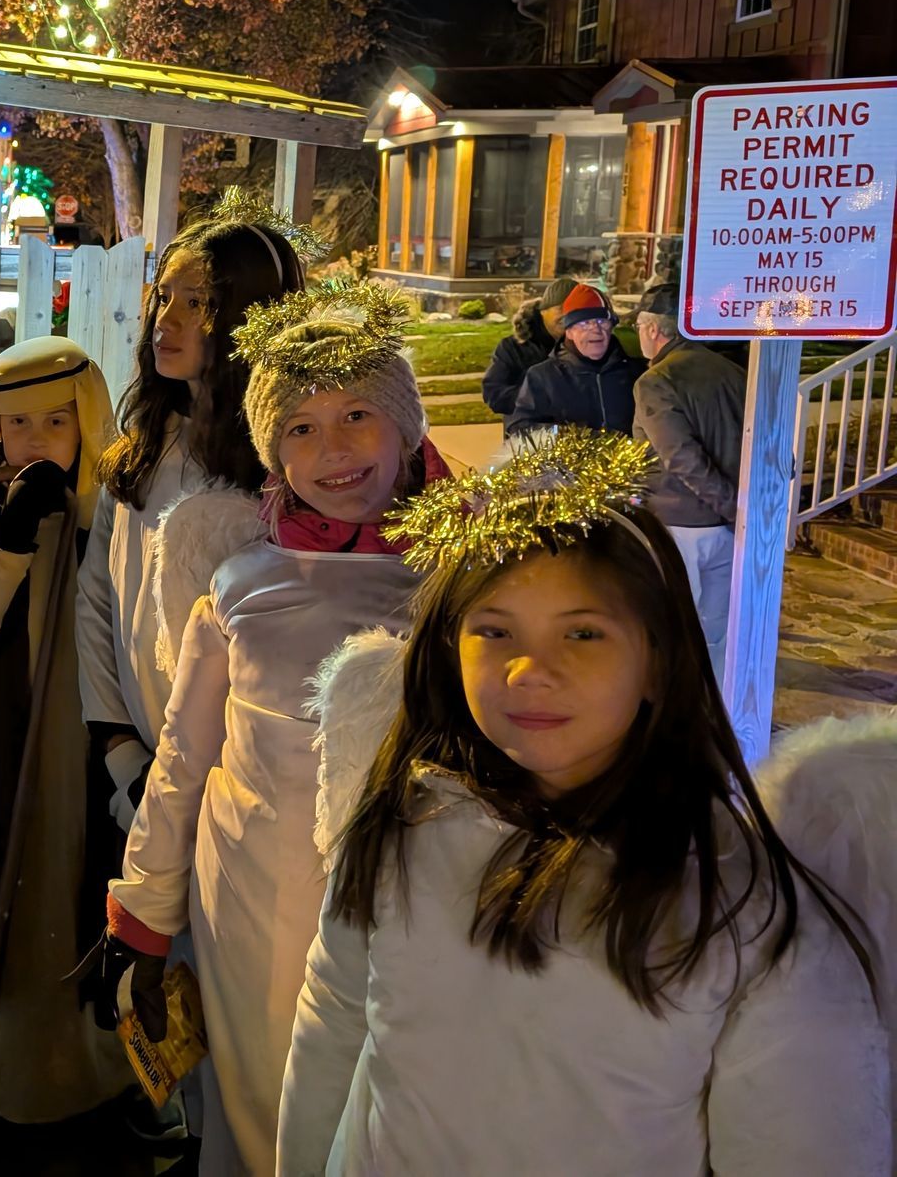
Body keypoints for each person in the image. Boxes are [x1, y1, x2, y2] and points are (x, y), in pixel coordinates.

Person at [278, 428, 889, 1175]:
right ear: (447, 647)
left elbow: (797, 1147)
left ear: (658, 662)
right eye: (495, 630)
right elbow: (335, 1021)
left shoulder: (735, 905)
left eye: (584, 634)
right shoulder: (403, 826)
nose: (530, 670)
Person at [96, 281, 448, 1176]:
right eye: (300, 427)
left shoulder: (466, 577)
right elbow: (185, 759)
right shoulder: (239, 583)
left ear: (405, 426)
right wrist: (144, 915)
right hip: (257, 901)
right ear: (271, 449)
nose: (334, 450)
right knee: (266, 1108)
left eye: (358, 414)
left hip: (421, 907)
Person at [0, 337, 135, 1131]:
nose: (36, 440)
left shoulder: (120, 517)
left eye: (56, 421)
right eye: (18, 424)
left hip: (92, 733)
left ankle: (106, 1070)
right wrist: (6, 537)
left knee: (89, 885)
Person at [80, 210, 305, 844]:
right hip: (139, 768)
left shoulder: (285, 463)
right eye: (163, 297)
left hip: (246, 786)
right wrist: (121, 751)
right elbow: (98, 598)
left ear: (251, 315)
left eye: (198, 303)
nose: (165, 321)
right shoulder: (146, 446)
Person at [632, 282, 744, 678]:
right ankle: (715, 703)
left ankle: (674, 706)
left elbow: (681, 458)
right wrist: (739, 511)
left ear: (653, 329)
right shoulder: (733, 373)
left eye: (638, 327)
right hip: (728, 527)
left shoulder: (656, 380)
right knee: (716, 634)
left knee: (672, 630)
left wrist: (731, 506)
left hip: (680, 526)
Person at [507, 282, 645, 437]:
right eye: (585, 323)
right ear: (569, 332)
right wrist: (573, 436)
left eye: (602, 322)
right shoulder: (543, 376)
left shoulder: (636, 373)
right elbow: (520, 426)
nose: (596, 330)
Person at [481, 275, 576, 418]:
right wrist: (541, 398)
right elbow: (494, 394)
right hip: (529, 428)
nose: (568, 315)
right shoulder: (513, 348)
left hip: (581, 430)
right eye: (560, 308)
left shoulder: (590, 346)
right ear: (543, 310)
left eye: (575, 310)